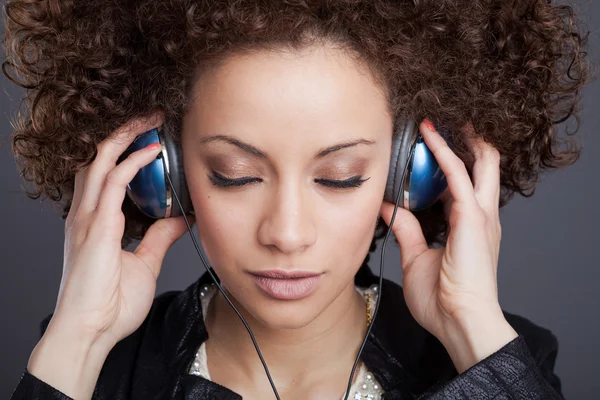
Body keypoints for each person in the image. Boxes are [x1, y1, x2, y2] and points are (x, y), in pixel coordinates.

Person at [3, 0, 591, 399]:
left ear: (409, 172)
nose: (286, 233)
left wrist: (472, 331)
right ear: (166, 170)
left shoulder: (504, 359)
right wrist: (77, 340)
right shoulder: (99, 373)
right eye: (234, 174)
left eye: (339, 176)